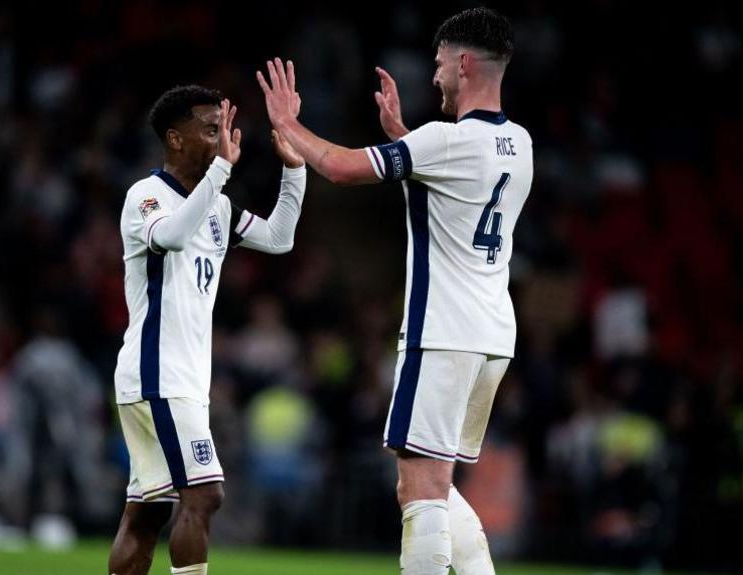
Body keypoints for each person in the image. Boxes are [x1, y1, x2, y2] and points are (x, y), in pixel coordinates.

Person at [257, 8, 532, 574]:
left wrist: (287, 125)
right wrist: (403, 141)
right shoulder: (520, 145)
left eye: (438, 65)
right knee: (437, 482)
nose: (434, 77)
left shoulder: (445, 141)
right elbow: (453, 187)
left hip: (442, 330)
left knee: (419, 489)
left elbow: (338, 167)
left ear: (463, 62)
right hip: (492, 335)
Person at [108, 85, 307, 575]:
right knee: (206, 493)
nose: (222, 138)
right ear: (175, 139)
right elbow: (171, 237)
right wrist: (221, 173)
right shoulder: (146, 195)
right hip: (157, 375)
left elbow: (279, 239)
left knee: (148, 511)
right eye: (210, 128)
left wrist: (295, 170)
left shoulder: (216, 207)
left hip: (176, 382)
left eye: (223, 126)